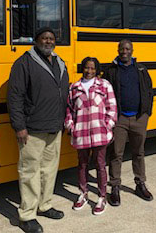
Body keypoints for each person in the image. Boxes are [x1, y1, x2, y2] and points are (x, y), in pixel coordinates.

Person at [7, 27, 69, 233]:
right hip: (32, 129)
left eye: (51, 38)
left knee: (49, 170)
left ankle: (45, 205)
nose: (48, 41)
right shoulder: (23, 63)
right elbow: (14, 97)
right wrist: (20, 126)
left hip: (54, 127)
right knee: (29, 172)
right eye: (44, 38)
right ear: (36, 40)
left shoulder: (60, 63)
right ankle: (27, 215)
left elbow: (64, 94)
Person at [102, 39, 154, 206]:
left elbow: (149, 90)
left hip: (139, 118)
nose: (124, 51)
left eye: (127, 49)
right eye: (121, 49)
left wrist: (146, 112)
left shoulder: (141, 69)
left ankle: (140, 183)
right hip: (120, 119)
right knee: (116, 153)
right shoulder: (111, 71)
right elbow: (104, 93)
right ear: (117, 50)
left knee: (139, 151)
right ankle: (115, 186)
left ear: (132, 51)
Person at [65, 57, 117, 215]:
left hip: (99, 133)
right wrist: (71, 126)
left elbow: (112, 107)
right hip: (80, 134)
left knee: (100, 164)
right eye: (87, 68)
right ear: (83, 68)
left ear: (97, 70)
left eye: (93, 68)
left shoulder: (104, 85)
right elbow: (69, 110)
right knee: (82, 165)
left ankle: (102, 196)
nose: (89, 71)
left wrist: (107, 125)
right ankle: (83, 193)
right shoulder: (74, 88)